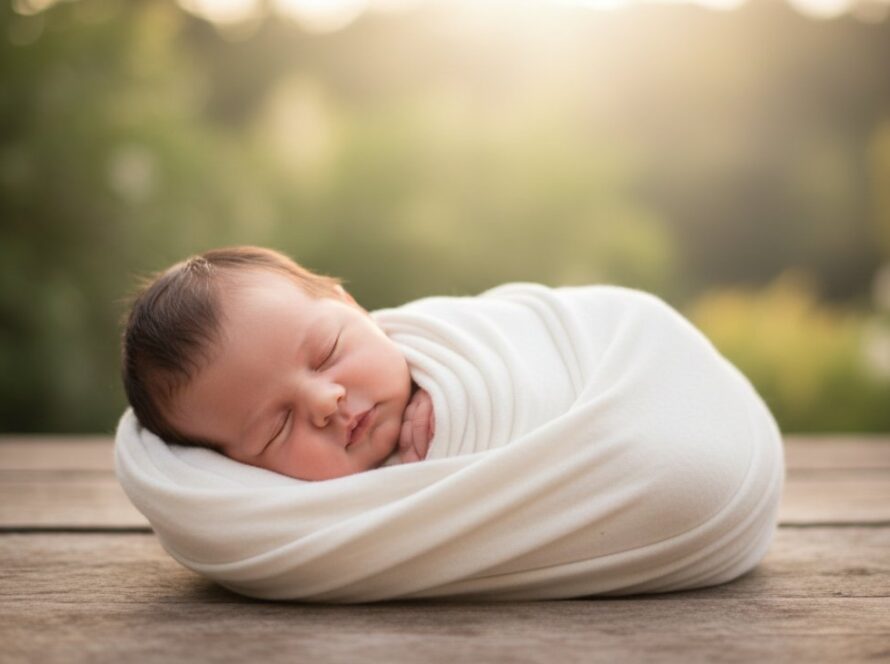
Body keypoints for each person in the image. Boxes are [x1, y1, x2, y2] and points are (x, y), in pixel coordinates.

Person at [121, 246, 435, 481]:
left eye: (327, 353)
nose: (325, 401)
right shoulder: (285, 522)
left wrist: (446, 391)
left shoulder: (440, 337)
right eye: (277, 427)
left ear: (352, 305)